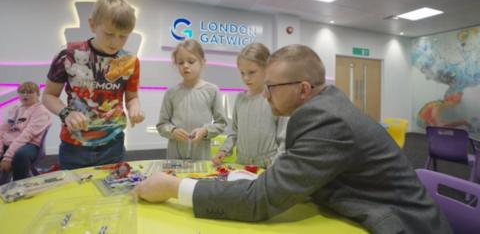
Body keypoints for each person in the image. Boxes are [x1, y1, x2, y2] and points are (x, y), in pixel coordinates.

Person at [135, 44, 453, 234]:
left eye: (271, 86)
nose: (265, 94)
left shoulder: (326, 119)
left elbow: (261, 200)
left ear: (302, 89)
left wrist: (175, 187)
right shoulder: (322, 106)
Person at [42, 0, 145, 170]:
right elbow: (48, 96)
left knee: (111, 190)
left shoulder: (130, 61)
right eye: (109, 34)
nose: (115, 42)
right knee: (73, 192)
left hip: (113, 142)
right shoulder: (68, 55)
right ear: (92, 25)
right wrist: (66, 113)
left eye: (123, 37)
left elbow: (132, 97)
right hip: (74, 143)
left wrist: (134, 107)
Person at [211, 43, 286, 168]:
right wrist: (223, 150)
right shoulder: (240, 99)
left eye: (252, 72)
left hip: (268, 167)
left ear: (267, 68)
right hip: (242, 165)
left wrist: (275, 167)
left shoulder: (276, 98)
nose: (246, 78)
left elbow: (284, 139)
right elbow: (234, 132)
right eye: (242, 73)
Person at [157, 39, 227, 160]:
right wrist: (172, 131)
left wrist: (205, 131)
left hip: (201, 157)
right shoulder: (171, 93)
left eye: (191, 61)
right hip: (175, 158)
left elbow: (221, 123)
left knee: (199, 179)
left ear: (202, 62)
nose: (185, 66)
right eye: (180, 62)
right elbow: (161, 125)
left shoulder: (212, 91)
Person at [0, 82, 52, 183]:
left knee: (20, 155)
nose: (25, 95)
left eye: (30, 92)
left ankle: (19, 185)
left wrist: (8, 157)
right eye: (22, 92)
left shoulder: (41, 112)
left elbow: (26, 135)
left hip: (30, 144)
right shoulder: (15, 109)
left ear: (37, 94)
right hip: (11, 143)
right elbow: (3, 130)